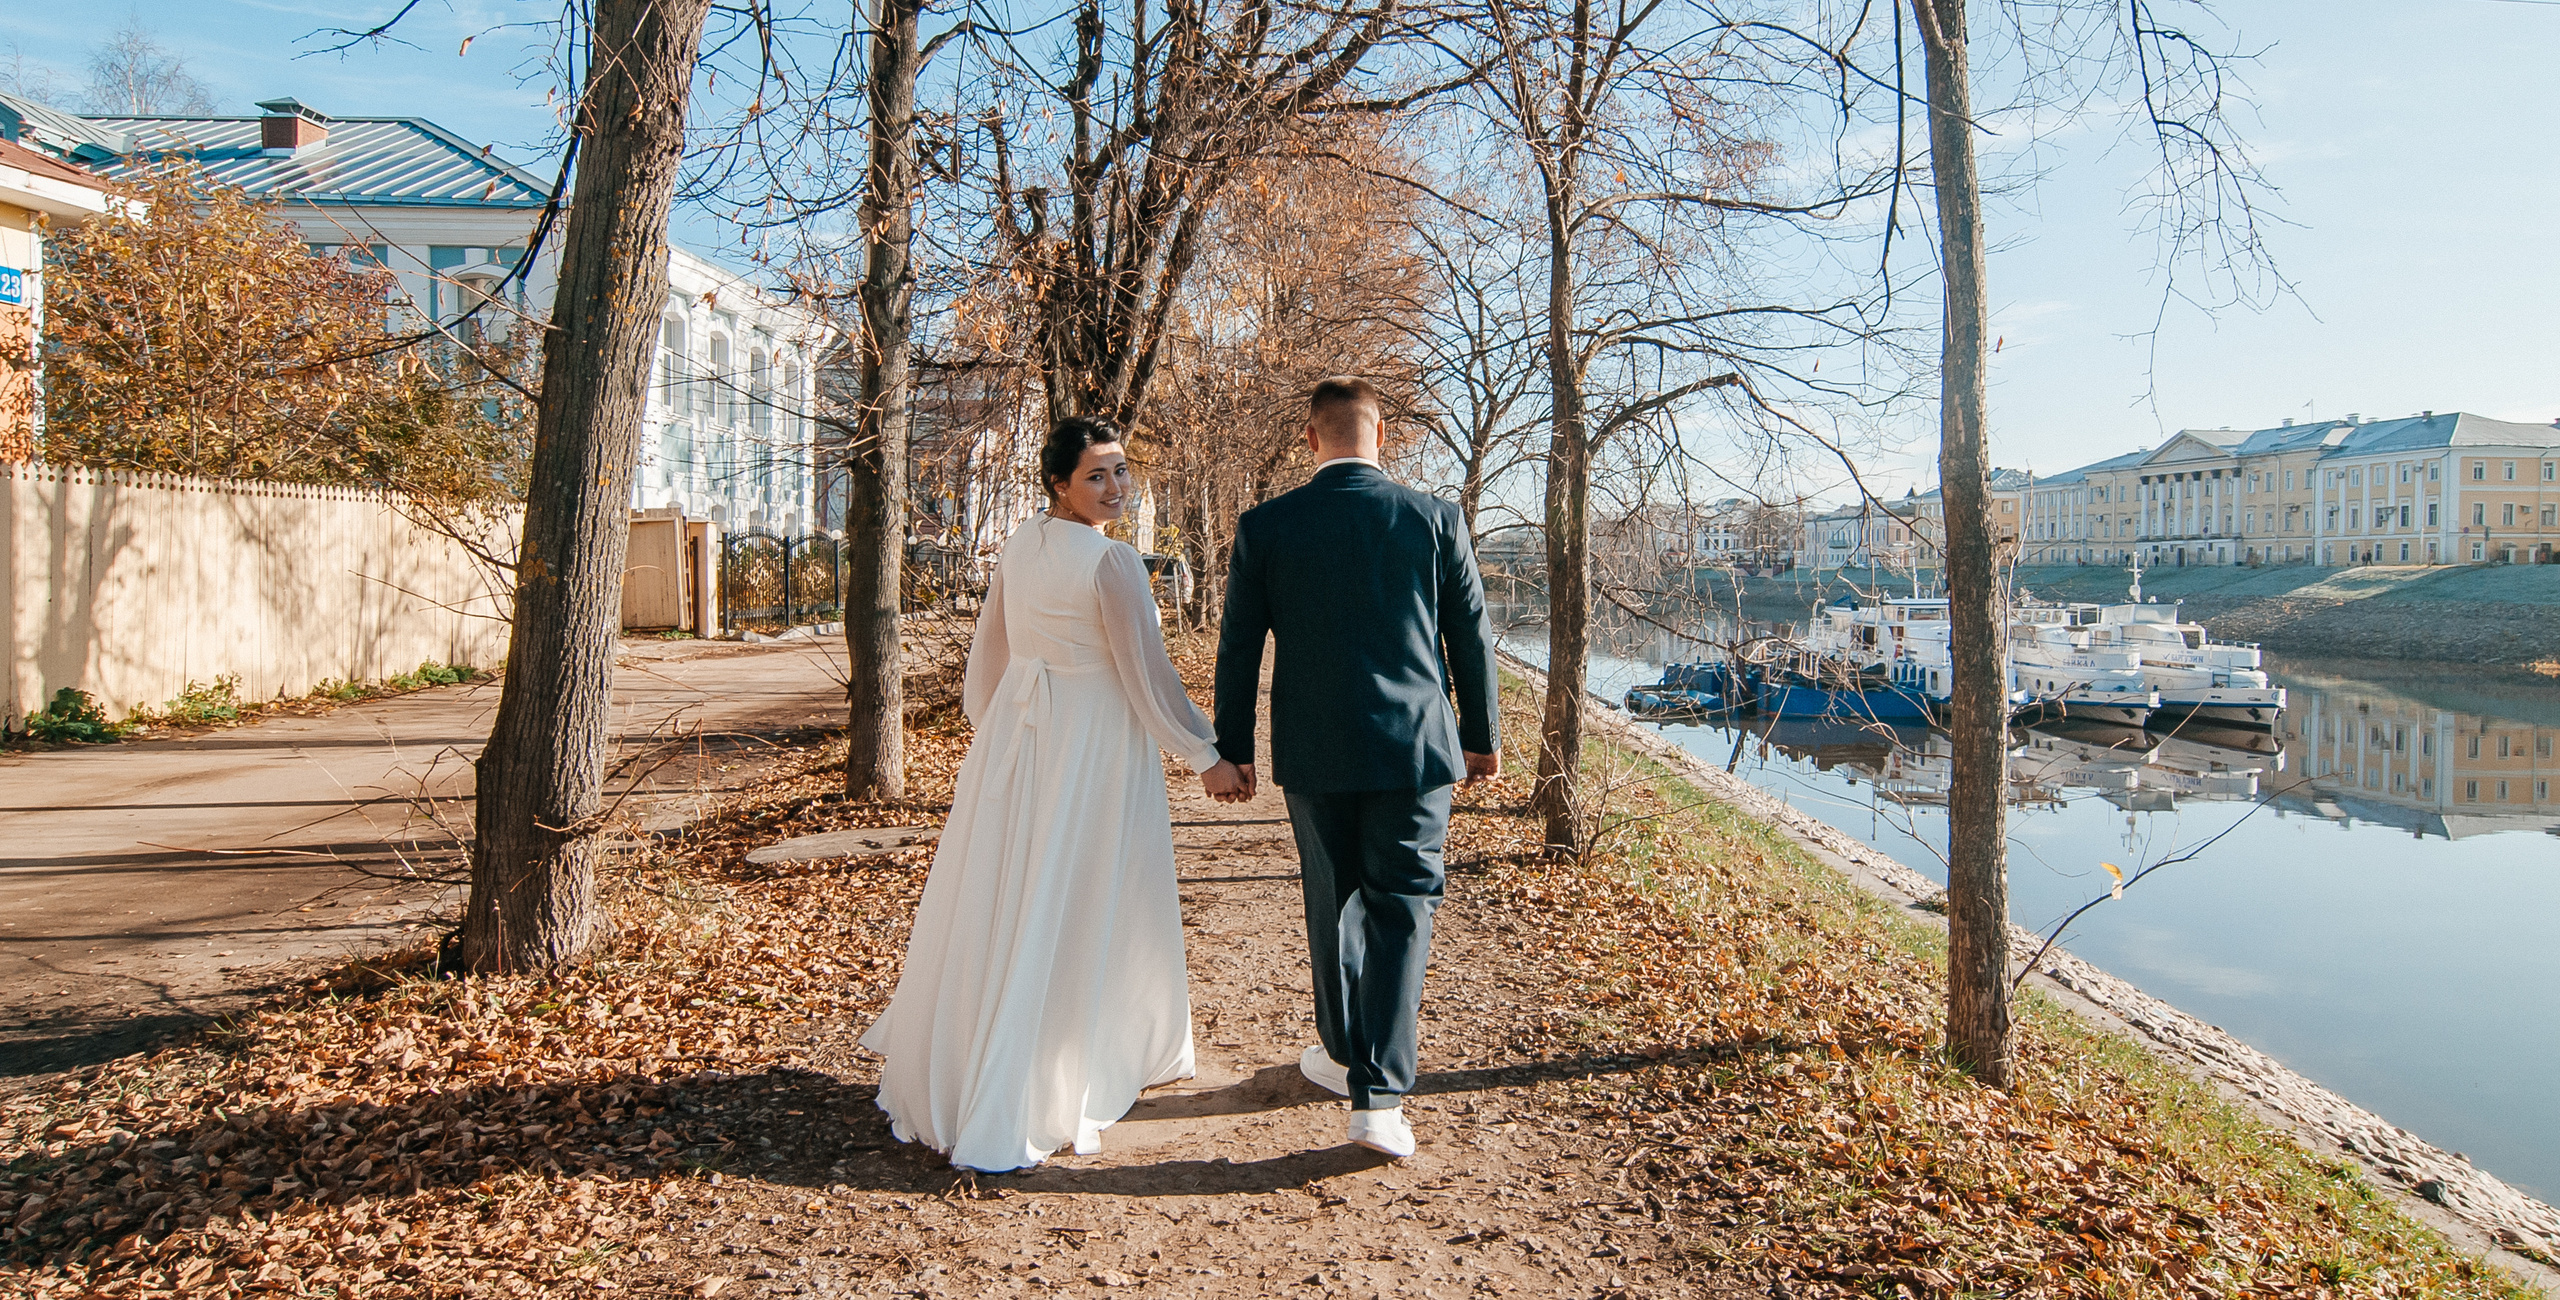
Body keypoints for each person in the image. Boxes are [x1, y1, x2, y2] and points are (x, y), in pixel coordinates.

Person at [862, 416, 1252, 1173]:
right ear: (1059, 484)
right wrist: (1202, 753)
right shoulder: (1111, 565)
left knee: (1014, 885)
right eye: (1097, 476)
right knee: (1087, 885)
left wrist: (998, 730)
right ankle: (1067, 1062)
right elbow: (1145, 677)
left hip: (1025, 737)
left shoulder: (1019, 544)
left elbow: (992, 655)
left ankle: (1013, 1048)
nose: (1115, 488)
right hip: (1093, 742)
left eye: (1121, 471)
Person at [1211, 377, 1501, 1159]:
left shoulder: (1266, 526)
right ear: (1385, 436)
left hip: (1315, 748)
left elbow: (1239, 646)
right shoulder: (1435, 518)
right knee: (1403, 907)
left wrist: (1230, 749)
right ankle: (1378, 1096)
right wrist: (1481, 736)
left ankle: (1347, 1056)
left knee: (1333, 903)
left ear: (1312, 438)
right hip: (1416, 748)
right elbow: (1468, 637)